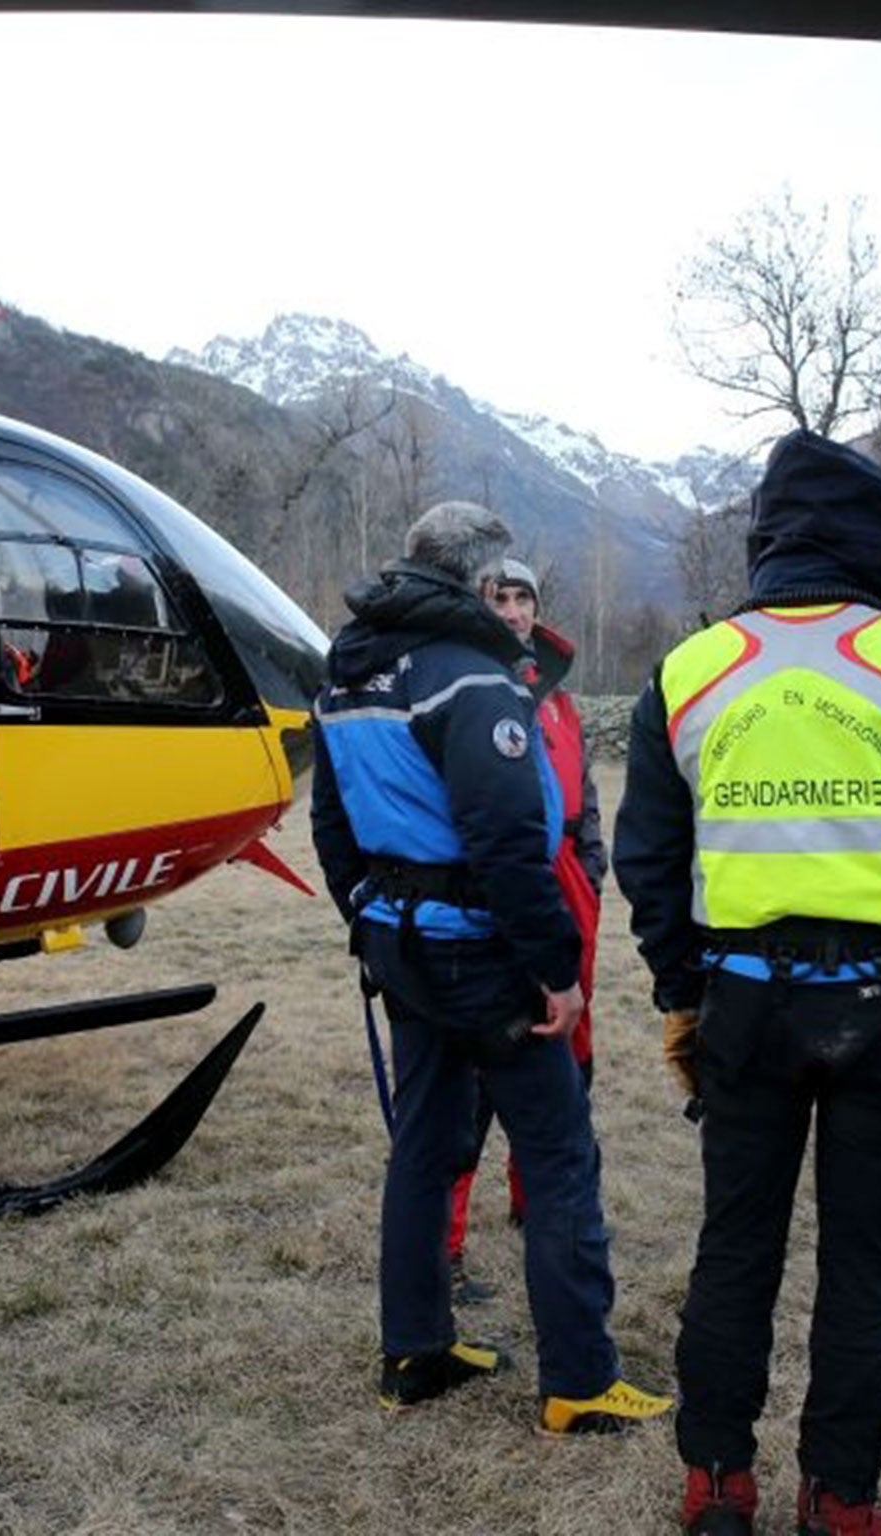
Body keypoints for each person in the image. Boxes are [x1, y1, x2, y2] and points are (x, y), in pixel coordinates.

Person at [612, 432, 881, 1535]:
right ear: (878, 544)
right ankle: (838, 1498)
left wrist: (678, 991)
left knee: (732, 1248)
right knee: (861, 1269)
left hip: (741, 1001)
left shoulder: (689, 672)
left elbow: (646, 857)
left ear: (763, 540)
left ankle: (714, 1486)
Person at [310, 500, 672, 1435]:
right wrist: (556, 970)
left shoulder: (348, 674)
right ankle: (581, 1380)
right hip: (480, 952)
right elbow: (510, 841)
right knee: (558, 1159)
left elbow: (331, 822)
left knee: (425, 1150)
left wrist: (364, 908)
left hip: (401, 944)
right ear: (475, 580)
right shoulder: (468, 679)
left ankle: (416, 1349)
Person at [445, 556, 606, 1302]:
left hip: (570, 883)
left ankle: (537, 1201)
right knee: (483, 1067)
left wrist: (591, 871)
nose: (511, 610)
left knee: (571, 1046)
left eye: (522, 598)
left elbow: (588, 800)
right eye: (497, 596)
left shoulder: (557, 699)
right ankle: (444, 1244)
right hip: (500, 882)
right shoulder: (465, 684)